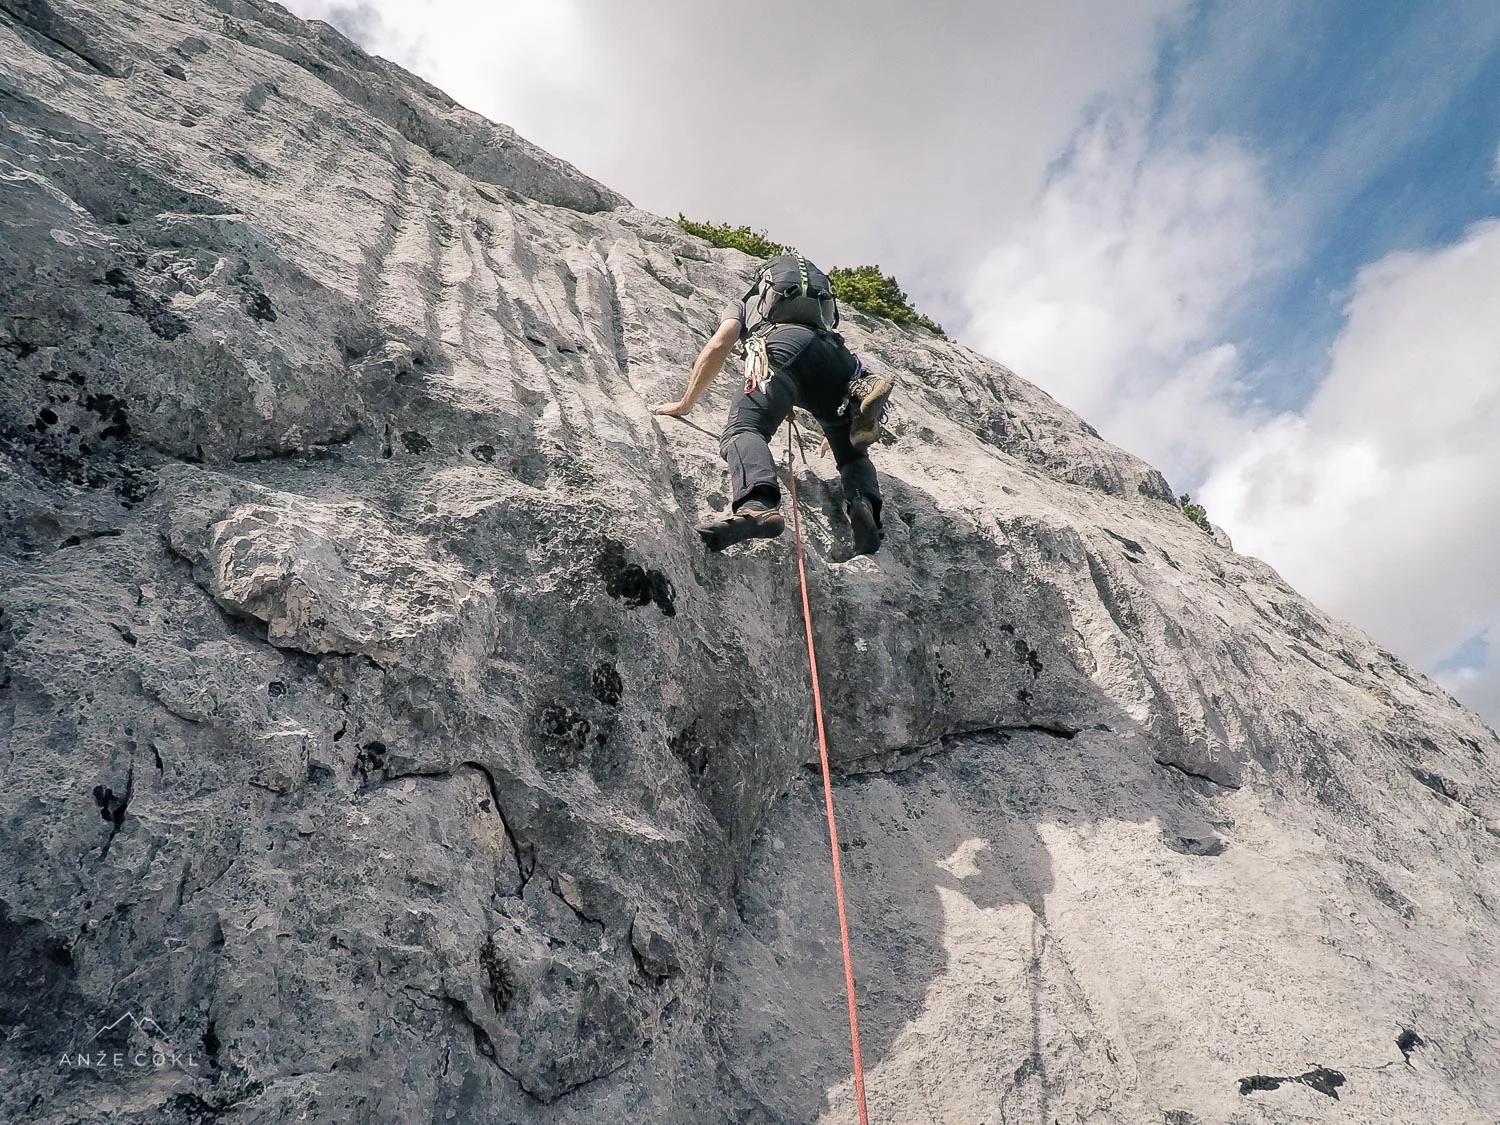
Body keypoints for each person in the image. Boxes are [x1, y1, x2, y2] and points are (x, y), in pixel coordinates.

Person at [653, 256, 890, 556]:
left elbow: (719, 344)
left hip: (782, 350)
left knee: (744, 429)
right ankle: (863, 503)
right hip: (837, 359)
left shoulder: (743, 303)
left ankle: (758, 505)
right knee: (852, 456)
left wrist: (685, 404)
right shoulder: (820, 310)